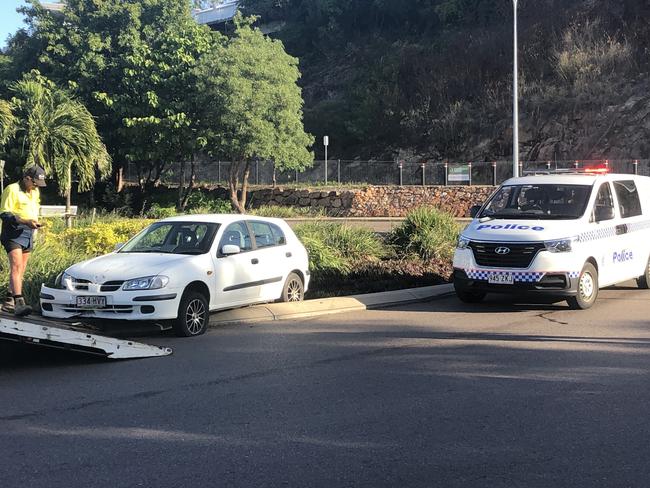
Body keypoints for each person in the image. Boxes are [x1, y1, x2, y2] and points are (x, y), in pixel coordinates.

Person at [0, 165, 46, 316]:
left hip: (28, 231)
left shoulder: (34, 191)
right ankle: (19, 302)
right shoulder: (12, 189)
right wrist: (24, 221)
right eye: (34, 183)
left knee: (22, 268)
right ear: (27, 178)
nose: (35, 187)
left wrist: (34, 223)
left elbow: (33, 210)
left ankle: (8, 300)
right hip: (12, 231)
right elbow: (5, 214)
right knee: (16, 266)